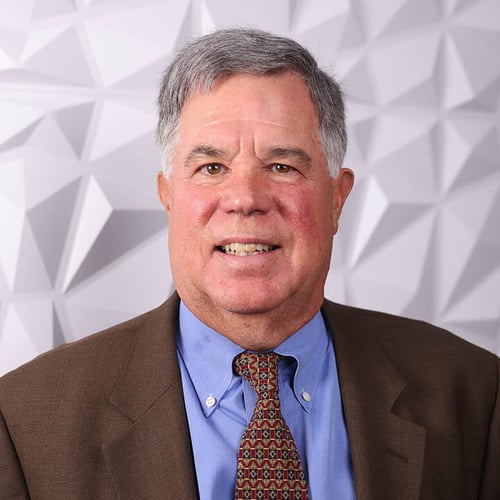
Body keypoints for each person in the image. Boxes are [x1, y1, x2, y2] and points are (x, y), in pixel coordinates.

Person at [0, 28, 498, 500]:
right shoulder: (23, 423)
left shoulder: (475, 395)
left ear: (337, 200)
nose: (244, 199)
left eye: (282, 167)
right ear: (169, 198)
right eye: (211, 168)